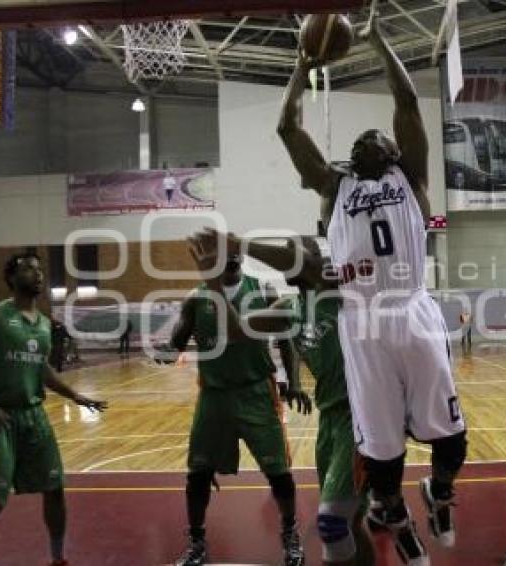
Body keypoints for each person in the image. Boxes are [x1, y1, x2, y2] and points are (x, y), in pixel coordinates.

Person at [278, 13, 466, 565]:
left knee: (449, 439)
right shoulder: (334, 187)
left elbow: (407, 105)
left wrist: (380, 43)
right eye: (361, 140)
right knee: (380, 454)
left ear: (392, 151)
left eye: (378, 137)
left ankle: (441, 489)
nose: (369, 138)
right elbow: (288, 130)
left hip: (411, 310)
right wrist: (299, 67)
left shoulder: (411, 178)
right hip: (360, 323)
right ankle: (394, 512)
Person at [191, 229, 374, 566]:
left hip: (361, 417)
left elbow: (304, 264)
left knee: (331, 523)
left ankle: (393, 506)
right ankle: (391, 509)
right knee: (351, 521)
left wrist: (238, 245)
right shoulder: (290, 308)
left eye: (293, 250)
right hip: (330, 421)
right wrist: (214, 283)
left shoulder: (337, 288)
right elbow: (234, 330)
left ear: (315, 260)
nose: (285, 255)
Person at [0, 253, 107, 566]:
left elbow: (43, 370)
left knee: (54, 488)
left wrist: (76, 396)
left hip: (34, 417)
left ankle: (58, 557)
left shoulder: (43, 325)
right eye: (29, 269)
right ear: (11, 278)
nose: (38, 275)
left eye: (40, 270)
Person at [165, 244, 310, 566]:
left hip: (256, 392)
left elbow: (286, 338)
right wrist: (172, 339)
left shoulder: (262, 289)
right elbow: (175, 342)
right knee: (198, 473)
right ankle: (197, 542)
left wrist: (296, 383)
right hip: (214, 395)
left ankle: (290, 534)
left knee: (279, 473)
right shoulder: (197, 297)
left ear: (241, 256)